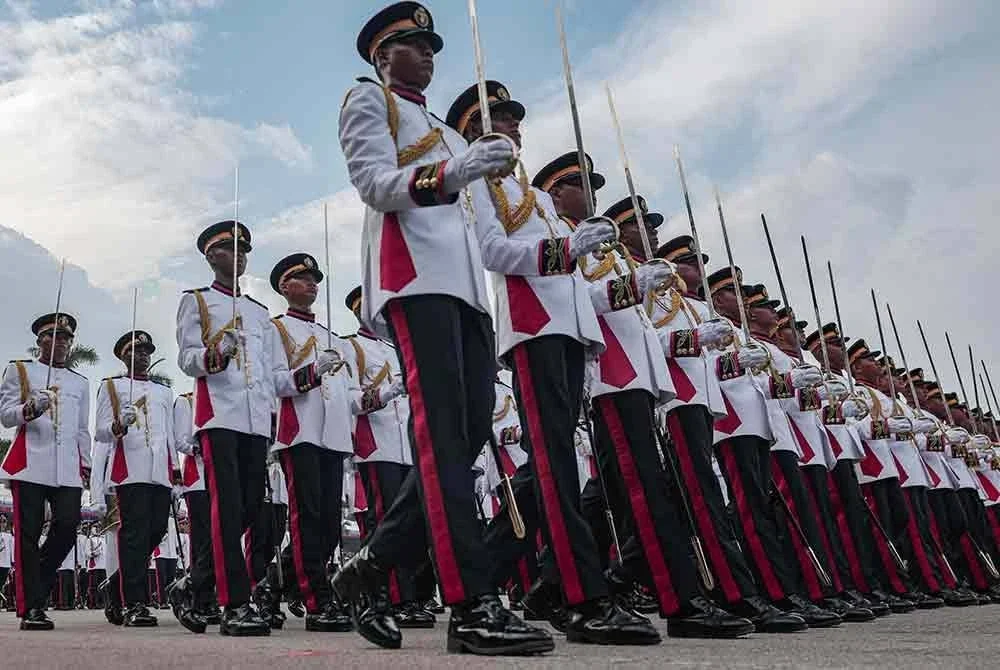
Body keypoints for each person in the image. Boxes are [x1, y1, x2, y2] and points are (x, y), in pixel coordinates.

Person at [335, 2, 552, 655]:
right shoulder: (369, 102)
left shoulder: (458, 138)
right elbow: (375, 184)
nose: (427, 52)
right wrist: (459, 171)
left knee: (462, 439)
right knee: (440, 437)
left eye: (431, 43)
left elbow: (491, 242)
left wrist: (559, 255)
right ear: (381, 55)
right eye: (411, 42)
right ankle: (471, 604)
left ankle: (372, 564)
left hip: (466, 296)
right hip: (413, 283)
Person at [176, 220, 275, 636]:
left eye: (243, 251)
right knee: (227, 506)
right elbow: (186, 357)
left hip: (255, 419)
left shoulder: (258, 311)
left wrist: (271, 422)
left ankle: (194, 584)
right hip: (219, 414)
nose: (238, 256)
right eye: (228, 249)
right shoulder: (196, 301)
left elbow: (268, 370)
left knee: (250, 506)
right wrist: (215, 353)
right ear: (210, 256)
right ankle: (234, 602)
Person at [342, 286, 433, 629]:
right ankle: (396, 598)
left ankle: (411, 595)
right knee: (385, 521)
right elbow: (351, 401)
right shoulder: (350, 346)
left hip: (407, 444)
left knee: (413, 522)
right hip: (377, 443)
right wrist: (389, 391)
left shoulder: (397, 348)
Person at [0, 312, 92, 630]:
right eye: (54, 335)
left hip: (66, 466)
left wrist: (87, 463)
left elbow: (82, 429)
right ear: (40, 340)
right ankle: (32, 608)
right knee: (27, 534)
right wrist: (29, 409)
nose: (62, 342)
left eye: (67, 337)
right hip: (29, 462)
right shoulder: (20, 369)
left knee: (67, 526)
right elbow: (5, 415)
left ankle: (33, 581)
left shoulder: (80, 382)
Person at [92, 329, 178, 627]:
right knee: (134, 536)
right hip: (129, 468)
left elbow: (169, 435)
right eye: (135, 351)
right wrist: (118, 424)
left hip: (160, 471)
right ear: (123, 356)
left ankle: (116, 586)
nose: (142, 356)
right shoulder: (111, 387)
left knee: (154, 532)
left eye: (146, 351)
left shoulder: (164, 392)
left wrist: (175, 472)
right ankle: (135, 603)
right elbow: (100, 432)